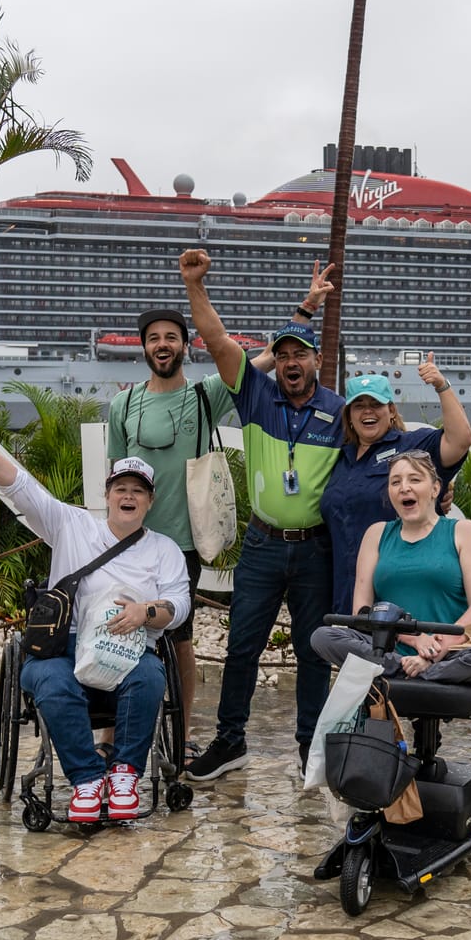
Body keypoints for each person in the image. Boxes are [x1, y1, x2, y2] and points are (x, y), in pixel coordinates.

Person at [104, 272, 332, 753]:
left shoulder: (206, 393)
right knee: (115, 624)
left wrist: (306, 309)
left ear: (186, 347)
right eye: (153, 339)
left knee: (178, 637)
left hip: (183, 540)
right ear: (143, 347)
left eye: (171, 338)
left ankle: (184, 734)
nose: (162, 345)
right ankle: (110, 732)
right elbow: (116, 476)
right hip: (129, 539)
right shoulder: (123, 403)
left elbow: (262, 358)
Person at [0, 413, 188, 823]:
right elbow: (23, 490)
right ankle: (85, 779)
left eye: (138, 490)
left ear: (150, 501)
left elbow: (178, 604)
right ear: (108, 495)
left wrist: (145, 613)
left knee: (151, 676)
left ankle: (124, 775)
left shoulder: (164, 549)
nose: (128, 496)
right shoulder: (71, 524)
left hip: (131, 651)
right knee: (49, 678)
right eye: (121, 489)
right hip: (66, 646)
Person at [179, 247, 345, 779]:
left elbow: (389, 455)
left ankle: (309, 750)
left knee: (313, 654)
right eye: (285, 355)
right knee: (242, 647)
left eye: (302, 355)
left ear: (317, 360)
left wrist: (438, 490)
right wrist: (195, 287)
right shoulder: (256, 396)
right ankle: (231, 742)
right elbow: (216, 339)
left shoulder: (340, 412)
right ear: (277, 361)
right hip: (262, 545)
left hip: (316, 548)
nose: (293, 363)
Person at [311, 450, 471, 685]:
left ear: (435, 489)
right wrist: (416, 639)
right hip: (386, 651)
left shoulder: (464, 531)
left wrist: (432, 650)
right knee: (323, 636)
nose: (404, 487)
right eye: (395, 482)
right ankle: (405, 669)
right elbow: (362, 613)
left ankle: (415, 671)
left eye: (414, 479)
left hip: (449, 651)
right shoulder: (376, 533)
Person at [319, 354, 471, 615]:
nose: (368, 411)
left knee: (400, 652)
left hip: (399, 588)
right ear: (350, 416)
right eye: (359, 406)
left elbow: (460, 440)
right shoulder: (339, 458)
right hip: (346, 588)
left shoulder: (411, 446)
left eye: (376, 404)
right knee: (350, 653)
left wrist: (441, 385)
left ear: (390, 411)